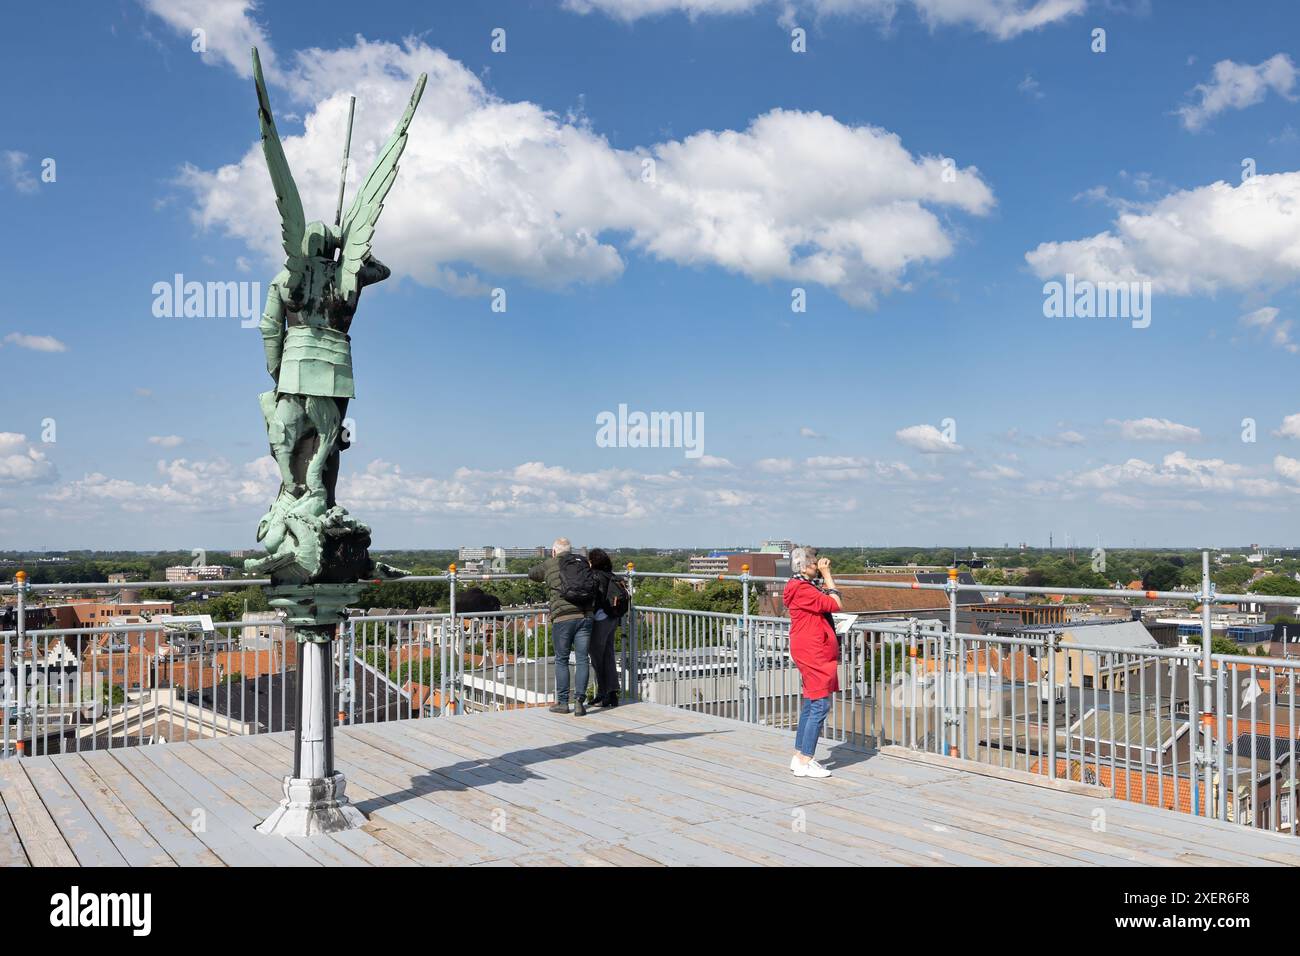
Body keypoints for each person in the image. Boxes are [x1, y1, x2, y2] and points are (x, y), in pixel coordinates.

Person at [783, 546, 843, 778]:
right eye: (814, 561)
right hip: (813, 651)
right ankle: (805, 761)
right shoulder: (803, 589)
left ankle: (800, 756)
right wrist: (828, 575)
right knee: (820, 705)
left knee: (810, 702)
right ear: (805, 565)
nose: (817, 565)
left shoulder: (799, 586)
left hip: (810, 647)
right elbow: (836, 604)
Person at [529, 538, 595, 716]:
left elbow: (533, 574)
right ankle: (580, 701)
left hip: (563, 617)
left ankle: (563, 702)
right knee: (582, 659)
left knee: (562, 659)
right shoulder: (581, 562)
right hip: (586, 614)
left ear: (554, 552)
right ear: (571, 550)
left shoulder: (550, 563)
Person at [585, 548, 628, 708]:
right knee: (608, 655)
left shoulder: (595, 576)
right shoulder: (612, 576)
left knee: (597, 658)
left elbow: (596, 600)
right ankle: (612, 694)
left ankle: (604, 694)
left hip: (600, 619)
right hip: (612, 619)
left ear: (593, 561)